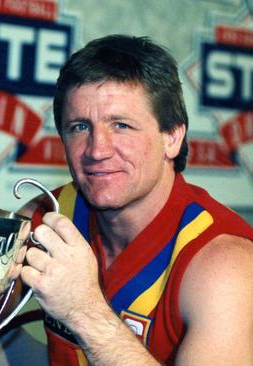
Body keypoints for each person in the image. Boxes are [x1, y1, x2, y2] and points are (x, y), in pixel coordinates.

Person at [18, 34, 253, 365]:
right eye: (80, 127)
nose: (98, 150)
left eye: (122, 125)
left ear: (171, 137)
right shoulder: (50, 216)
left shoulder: (225, 264)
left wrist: (83, 311)